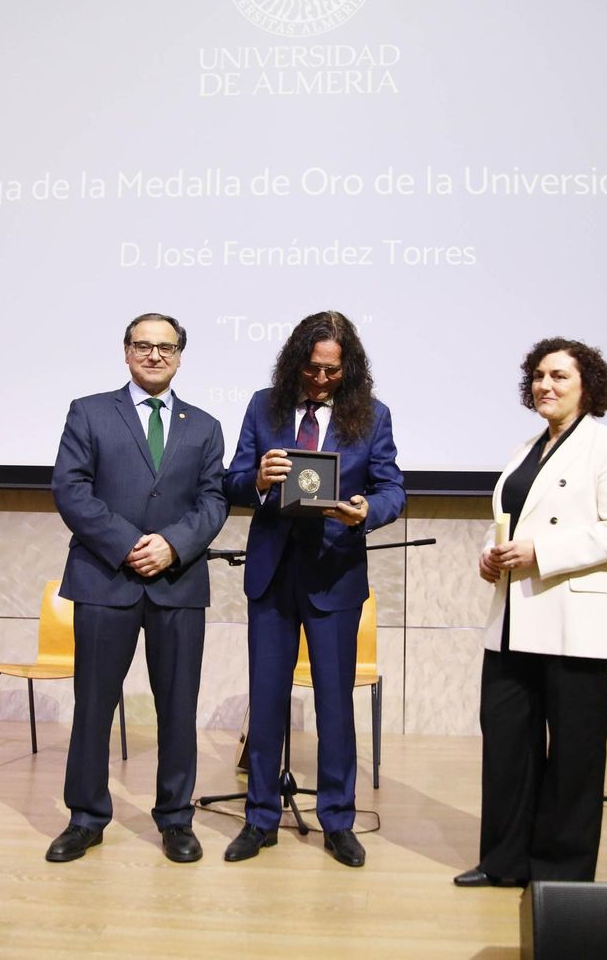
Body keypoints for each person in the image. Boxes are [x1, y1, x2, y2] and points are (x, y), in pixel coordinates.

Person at [455, 337, 607, 887]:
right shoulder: (524, 449)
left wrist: (544, 554)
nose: (546, 386)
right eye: (539, 375)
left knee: (574, 755)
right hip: (514, 619)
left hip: (574, 623)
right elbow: (512, 525)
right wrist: (491, 558)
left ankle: (560, 873)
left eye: (560, 376)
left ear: (588, 387)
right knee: (508, 747)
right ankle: (504, 863)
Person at [222, 310, 405, 868]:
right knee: (268, 700)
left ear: (348, 369)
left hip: (336, 575)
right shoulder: (263, 405)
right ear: (295, 361)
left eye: (332, 372)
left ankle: (338, 820)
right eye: (312, 369)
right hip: (273, 573)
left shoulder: (372, 416)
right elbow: (230, 480)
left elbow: (393, 488)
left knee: (333, 704)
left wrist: (365, 511)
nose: (321, 380)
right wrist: (256, 480)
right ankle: (259, 819)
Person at [46, 313, 229, 864]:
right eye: (143, 346)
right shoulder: (90, 412)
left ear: (180, 356)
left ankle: (175, 819)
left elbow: (214, 500)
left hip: (178, 584)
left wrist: (172, 545)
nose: (154, 355)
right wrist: (129, 544)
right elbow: (70, 489)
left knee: (178, 708)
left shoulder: (205, 425)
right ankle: (85, 818)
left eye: (165, 347)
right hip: (106, 579)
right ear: (126, 351)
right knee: (94, 705)